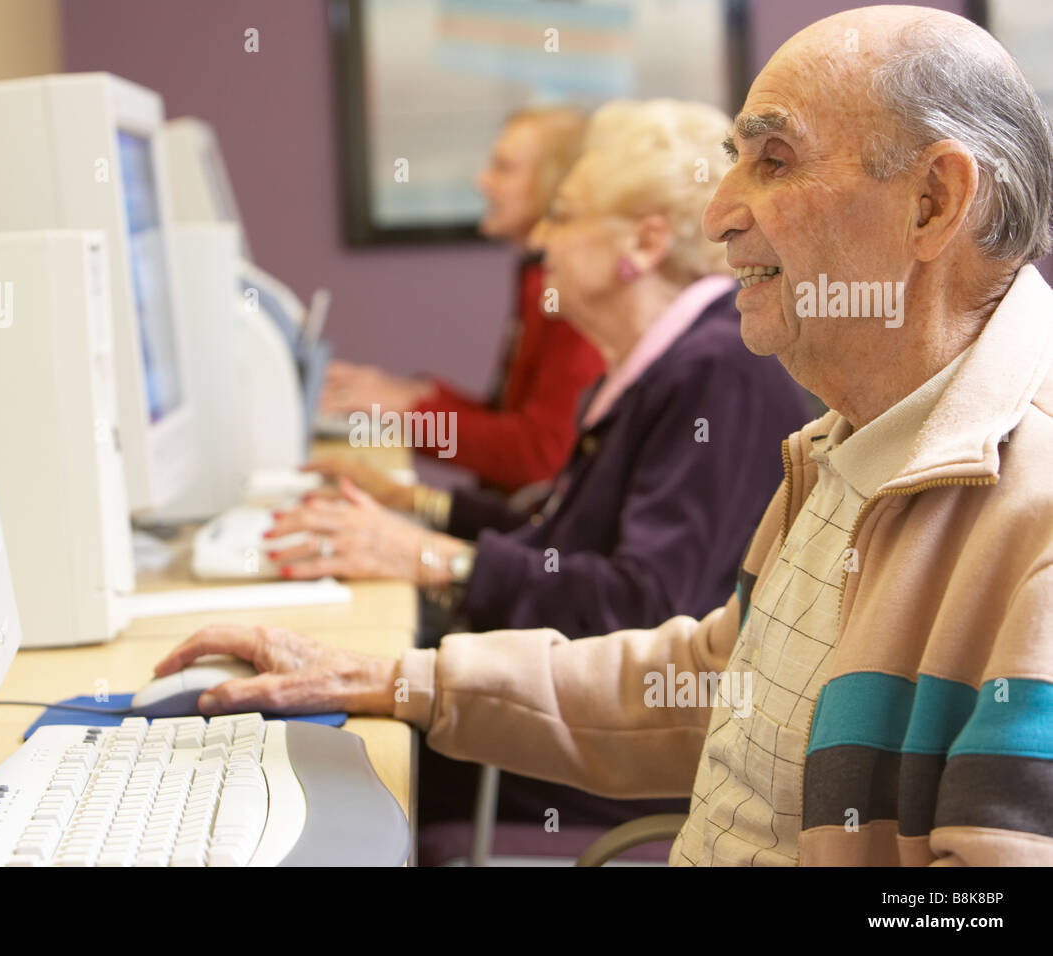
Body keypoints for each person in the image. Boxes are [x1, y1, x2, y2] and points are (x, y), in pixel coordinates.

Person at [157, 5, 1053, 866]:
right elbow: (711, 686)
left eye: (774, 161)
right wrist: (395, 679)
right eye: (733, 161)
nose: (719, 215)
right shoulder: (845, 446)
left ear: (934, 203)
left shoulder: (1036, 523)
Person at [266, 100, 812, 645]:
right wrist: (413, 511)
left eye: (565, 215)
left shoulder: (713, 374)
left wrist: (435, 558)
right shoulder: (659, 361)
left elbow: (646, 609)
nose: (543, 240)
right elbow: (562, 541)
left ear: (644, 244)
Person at [319, 107, 605, 495]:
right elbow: (509, 418)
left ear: (556, 184)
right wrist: (412, 396)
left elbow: (540, 455)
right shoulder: (536, 277)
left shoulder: (566, 290)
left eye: (503, 168)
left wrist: (408, 414)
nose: (482, 181)